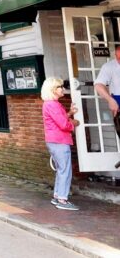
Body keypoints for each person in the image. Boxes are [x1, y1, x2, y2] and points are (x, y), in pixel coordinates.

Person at [41, 77, 80, 211]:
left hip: (54, 140)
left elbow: (59, 119)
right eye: (60, 87)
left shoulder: (49, 104)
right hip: (59, 141)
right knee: (65, 170)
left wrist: (69, 113)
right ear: (53, 89)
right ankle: (62, 199)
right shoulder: (53, 104)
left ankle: (57, 196)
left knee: (60, 170)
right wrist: (74, 123)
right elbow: (63, 124)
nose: (62, 89)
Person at [95, 44, 120, 117]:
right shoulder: (109, 66)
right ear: (115, 55)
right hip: (117, 98)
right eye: (118, 58)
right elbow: (98, 85)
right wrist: (110, 100)